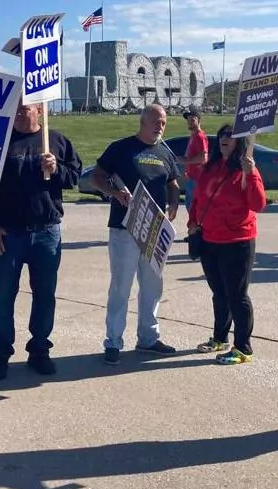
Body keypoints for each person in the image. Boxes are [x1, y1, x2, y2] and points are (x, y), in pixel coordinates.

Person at [0, 98, 82, 380]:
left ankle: (39, 349)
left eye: (25, 109)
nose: (19, 114)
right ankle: (0, 353)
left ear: (40, 110)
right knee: (2, 296)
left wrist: (56, 169)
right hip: (7, 235)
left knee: (45, 295)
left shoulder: (56, 140)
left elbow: (75, 177)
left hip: (46, 232)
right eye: (15, 109)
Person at [89, 104, 181, 366]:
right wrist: (114, 193)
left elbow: (173, 183)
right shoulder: (121, 148)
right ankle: (113, 342)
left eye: (163, 122)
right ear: (143, 121)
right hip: (125, 228)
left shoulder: (165, 152)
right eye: (156, 121)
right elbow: (96, 177)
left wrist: (174, 204)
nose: (160, 126)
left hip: (154, 229)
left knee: (152, 286)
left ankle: (148, 338)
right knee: (121, 286)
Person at [188, 124, 266, 364]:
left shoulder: (245, 170)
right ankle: (220, 338)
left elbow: (258, 204)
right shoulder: (211, 167)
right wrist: (193, 222)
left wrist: (251, 174)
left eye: (231, 136)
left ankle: (243, 348)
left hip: (237, 241)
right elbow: (199, 198)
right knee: (219, 293)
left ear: (239, 142)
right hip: (209, 239)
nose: (225, 138)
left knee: (237, 296)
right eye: (222, 134)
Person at [180, 107, 209, 212]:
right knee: (189, 205)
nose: (189, 122)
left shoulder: (200, 137)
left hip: (197, 179)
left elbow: (203, 158)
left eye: (192, 120)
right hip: (191, 177)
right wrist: (186, 169)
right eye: (188, 120)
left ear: (199, 120)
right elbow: (190, 156)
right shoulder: (193, 136)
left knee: (194, 207)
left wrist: (186, 161)